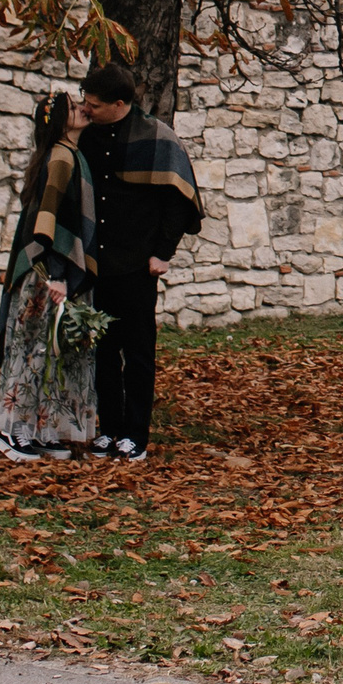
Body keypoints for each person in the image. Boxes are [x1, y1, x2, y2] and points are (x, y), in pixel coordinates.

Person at [74, 61, 203, 461]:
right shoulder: (85, 138)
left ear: (119, 103)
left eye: (93, 104)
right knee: (103, 351)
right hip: (98, 262)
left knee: (139, 352)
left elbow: (178, 203)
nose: (86, 109)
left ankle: (135, 436)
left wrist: (161, 253)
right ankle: (108, 429)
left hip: (138, 265)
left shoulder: (157, 137)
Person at [0, 93, 98, 461]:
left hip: (58, 274)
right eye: (72, 108)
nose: (82, 109)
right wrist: (57, 275)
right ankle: (13, 432)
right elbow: (48, 220)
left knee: (55, 351)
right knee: (35, 348)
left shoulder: (71, 155)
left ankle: (42, 429)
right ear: (57, 122)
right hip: (47, 276)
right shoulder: (60, 157)